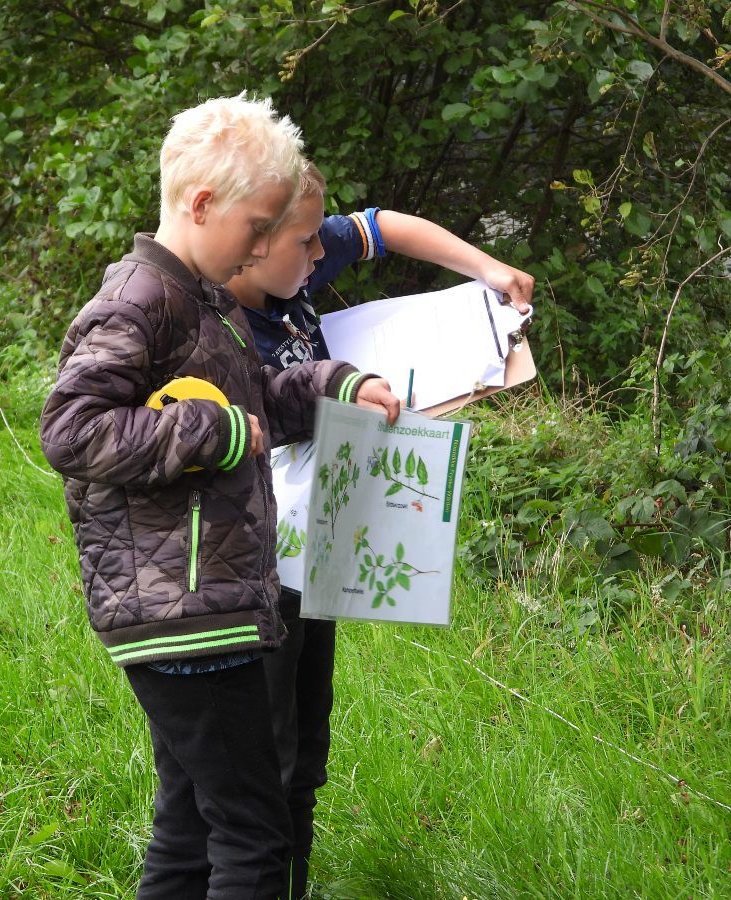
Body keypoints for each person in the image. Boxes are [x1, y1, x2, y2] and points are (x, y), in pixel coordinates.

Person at [39, 96, 401, 900]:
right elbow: (72, 429)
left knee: (192, 827)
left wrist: (333, 385)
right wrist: (212, 431)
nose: (267, 247)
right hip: (183, 609)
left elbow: (254, 406)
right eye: (258, 227)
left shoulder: (203, 297)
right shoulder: (139, 300)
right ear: (201, 205)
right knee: (253, 837)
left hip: (198, 601)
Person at [225, 159, 536, 898]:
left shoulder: (295, 262)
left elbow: (383, 226)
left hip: (317, 546)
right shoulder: (219, 328)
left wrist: (489, 269)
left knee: (307, 744)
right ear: (253, 241)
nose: (319, 254)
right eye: (305, 243)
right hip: (253, 567)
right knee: (264, 752)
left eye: (318, 239)